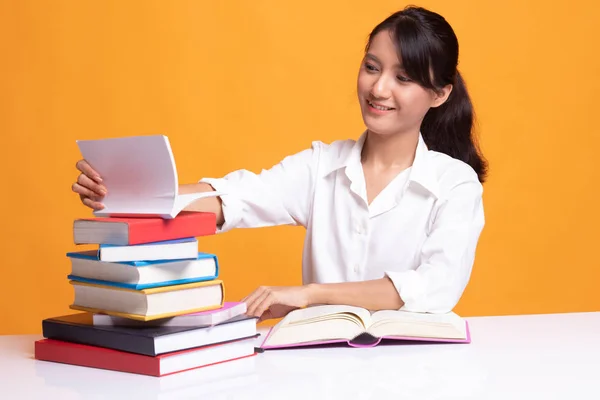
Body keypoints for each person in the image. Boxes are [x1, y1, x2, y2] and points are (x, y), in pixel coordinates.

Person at [72, 6, 487, 322]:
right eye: (372, 67)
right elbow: (234, 198)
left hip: (419, 377)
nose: (378, 88)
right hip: (321, 371)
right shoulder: (322, 166)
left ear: (440, 94)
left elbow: (434, 287)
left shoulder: (454, 185)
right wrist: (129, 194)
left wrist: (309, 295)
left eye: (404, 78)